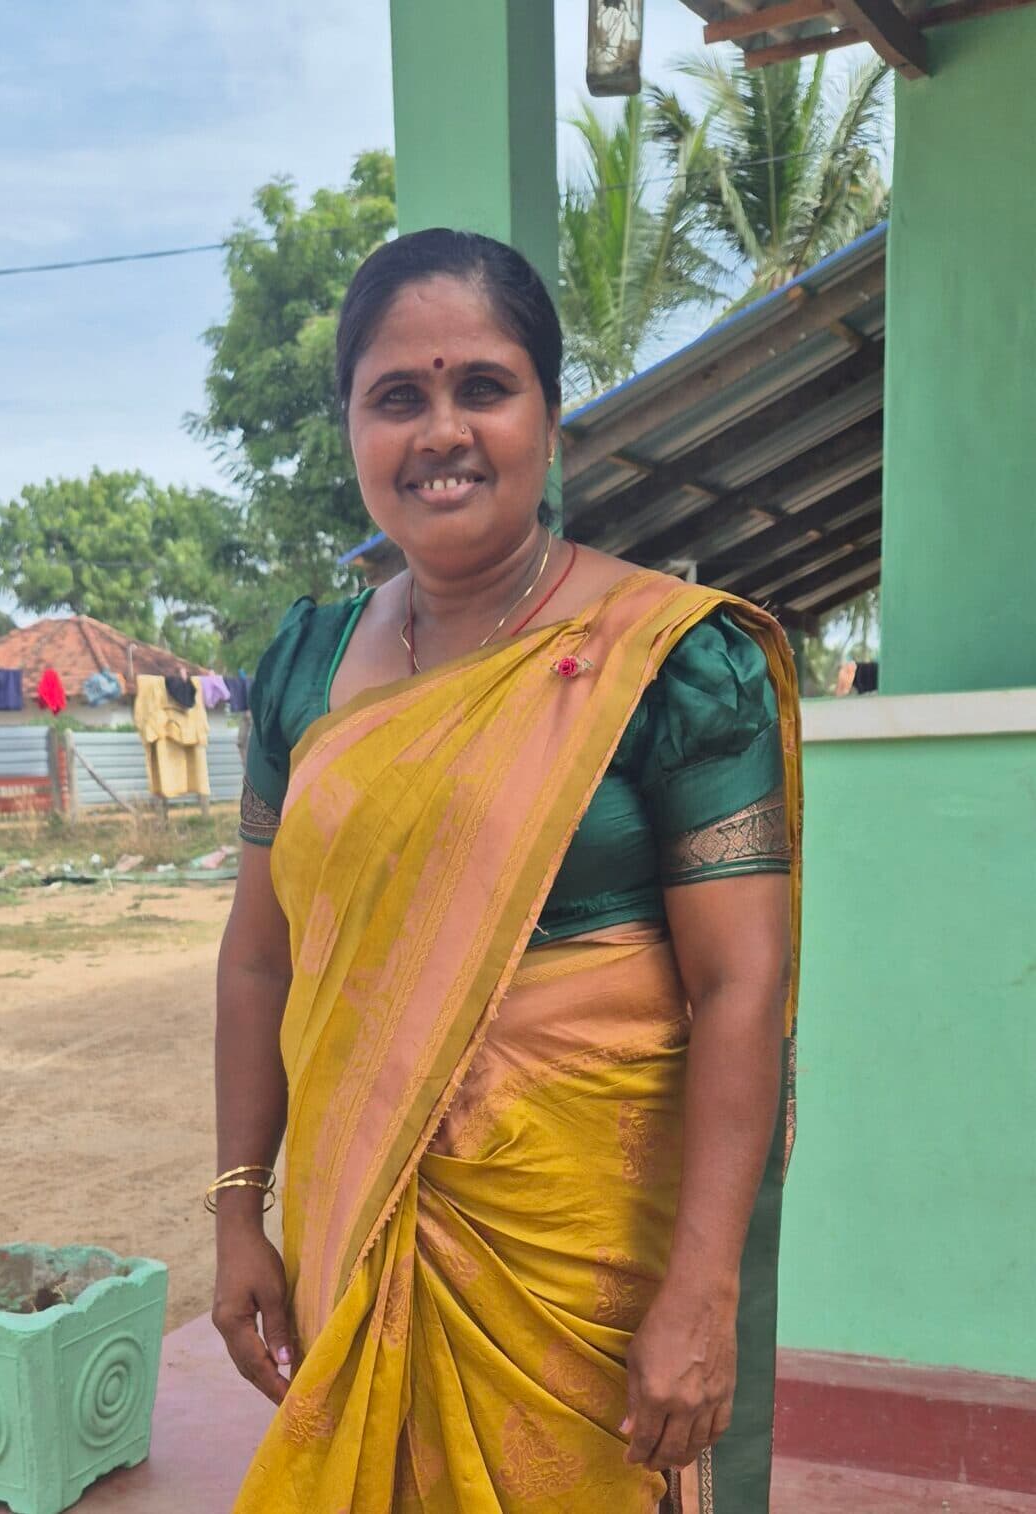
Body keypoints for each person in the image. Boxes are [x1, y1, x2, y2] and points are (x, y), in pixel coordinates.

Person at [212, 229, 801, 1514]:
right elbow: (262, 954)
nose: (442, 431)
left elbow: (740, 987)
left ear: (550, 415)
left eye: (483, 385)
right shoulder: (305, 665)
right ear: (353, 432)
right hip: (357, 1220)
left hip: (585, 1263)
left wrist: (705, 1286)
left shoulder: (671, 661)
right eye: (397, 397)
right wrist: (233, 1207)